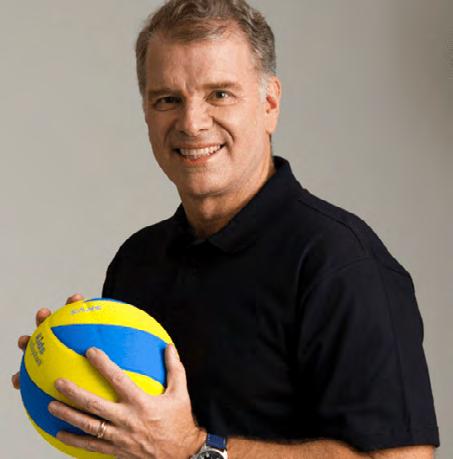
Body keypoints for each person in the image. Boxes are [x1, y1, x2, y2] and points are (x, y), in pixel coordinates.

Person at [13, 0, 440, 458]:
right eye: (168, 100)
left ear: (270, 103)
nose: (192, 123)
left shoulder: (341, 263)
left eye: (219, 94)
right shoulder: (138, 261)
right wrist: (78, 365)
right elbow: (139, 441)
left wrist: (195, 449)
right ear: (146, 113)